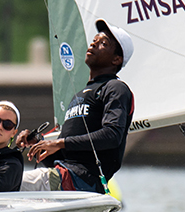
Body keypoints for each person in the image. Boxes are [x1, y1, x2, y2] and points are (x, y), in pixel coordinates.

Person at [17, 19, 134, 193]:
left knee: (5, 182)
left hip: (82, 181)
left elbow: (112, 135)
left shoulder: (115, 88)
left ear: (116, 59)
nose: (94, 44)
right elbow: (64, 157)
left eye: (103, 43)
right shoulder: (79, 95)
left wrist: (60, 143)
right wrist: (38, 143)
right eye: (94, 40)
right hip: (66, 178)